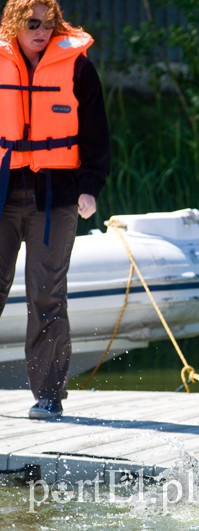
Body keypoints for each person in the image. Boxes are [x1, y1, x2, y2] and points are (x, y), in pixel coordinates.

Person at [0, 0, 111, 419]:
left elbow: (97, 133)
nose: (42, 30)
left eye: (50, 23)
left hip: (57, 198)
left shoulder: (78, 67)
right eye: (32, 23)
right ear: (14, 22)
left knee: (46, 295)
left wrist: (90, 188)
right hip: (2, 192)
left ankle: (48, 397)